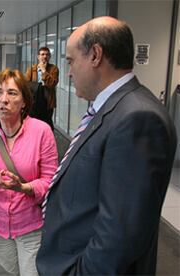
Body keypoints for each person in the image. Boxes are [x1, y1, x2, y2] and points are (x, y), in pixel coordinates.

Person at [36, 16, 177, 275]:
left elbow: (119, 236)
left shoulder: (137, 118)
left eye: (70, 61)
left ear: (96, 55)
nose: (68, 71)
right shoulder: (112, 108)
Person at [0, 69, 58, 276]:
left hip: (31, 225)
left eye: (12, 93)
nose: (4, 100)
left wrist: (22, 187)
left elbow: (51, 182)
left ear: (24, 101)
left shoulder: (41, 131)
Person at [25, 47, 59, 130]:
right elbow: (25, 84)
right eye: (42, 54)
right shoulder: (32, 69)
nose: (44, 56)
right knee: (33, 124)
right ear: (38, 57)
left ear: (50, 56)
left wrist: (44, 70)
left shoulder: (53, 69)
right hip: (34, 101)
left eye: (47, 54)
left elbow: (52, 83)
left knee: (47, 124)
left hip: (47, 102)